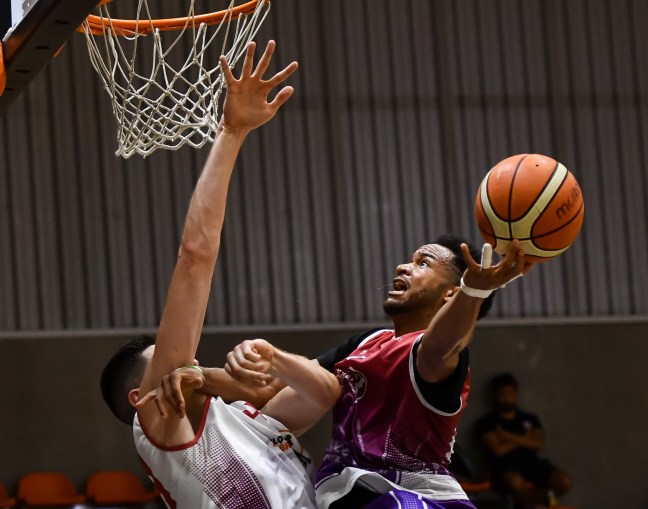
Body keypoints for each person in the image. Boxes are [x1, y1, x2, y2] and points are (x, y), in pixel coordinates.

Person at [99, 40, 342, 509]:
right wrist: (231, 132)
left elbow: (324, 392)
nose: (183, 361)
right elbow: (195, 257)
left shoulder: (245, 417)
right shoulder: (162, 431)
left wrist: (255, 361)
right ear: (140, 400)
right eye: (168, 360)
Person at [476, 373, 573, 509]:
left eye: (511, 393)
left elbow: (539, 444)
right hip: (505, 468)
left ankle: (539, 503)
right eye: (503, 394)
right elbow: (498, 450)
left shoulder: (530, 418)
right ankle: (541, 504)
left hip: (532, 465)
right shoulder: (487, 422)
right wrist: (526, 438)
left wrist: (507, 436)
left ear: (516, 393)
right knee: (516, 482)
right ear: (495, 396)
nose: (507, 398)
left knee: (565, 480)